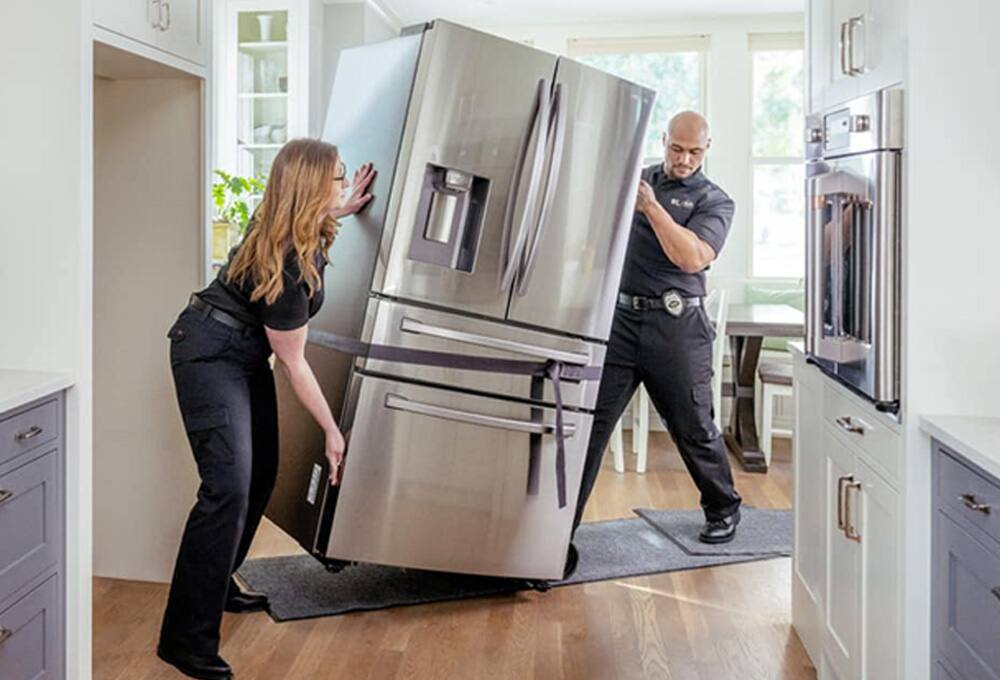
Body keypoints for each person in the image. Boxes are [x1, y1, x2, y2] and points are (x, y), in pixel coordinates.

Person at [156, 139, 375, 680]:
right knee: (226, 487)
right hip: (208, 352)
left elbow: (284, 355)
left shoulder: (288, 222)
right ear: (309, 188)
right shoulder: (287, 260)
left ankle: (218, 581)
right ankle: (185, 641)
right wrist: (332, 431)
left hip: (242, 353)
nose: (345, 184)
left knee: (261, 477)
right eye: (338, 178)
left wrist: (339, 209)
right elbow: (295, 364)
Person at [567, 111, 743, 576]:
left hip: (677, 328)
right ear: (664, 142)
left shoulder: (715, 201)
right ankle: (559, 530)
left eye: (694, 151)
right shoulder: (635, 179)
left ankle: (723, 507)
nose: (683, 159)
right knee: (591, 427)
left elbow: (691, 258)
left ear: (707, 149)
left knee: (694, 427)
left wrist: (651, 208)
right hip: (621, 324)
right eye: (676, 148)